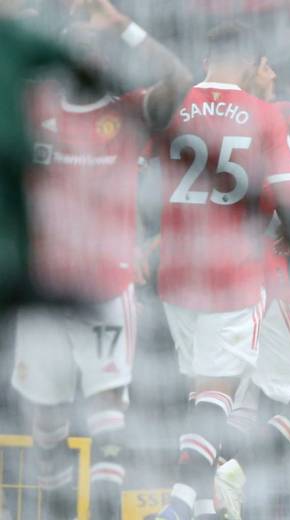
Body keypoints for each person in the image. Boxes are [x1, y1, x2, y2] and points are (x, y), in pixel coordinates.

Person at [153, 22, 290, 520]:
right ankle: (181, 503)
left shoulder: (173, 103)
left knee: (212, 396)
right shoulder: (262, 116)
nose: (271, 72)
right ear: (253, 63)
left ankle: (198, 504)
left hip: (175, 270)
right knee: (224, 397)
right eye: (267, 64)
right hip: (235, 274)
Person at [10, 1, 191, 518]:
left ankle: (106, 507)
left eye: (95, 48)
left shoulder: (127, 111)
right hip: (42, 285)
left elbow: (178, 77)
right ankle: (57, 505)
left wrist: (125, 26)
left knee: (109, 402)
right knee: (44, 416)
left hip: (105, 283)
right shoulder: (33, 105)